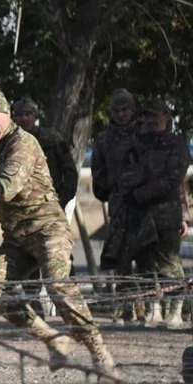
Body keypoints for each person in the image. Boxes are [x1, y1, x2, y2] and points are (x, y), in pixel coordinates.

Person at [0, 86, 115, 376]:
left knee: (58, 285)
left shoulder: (23, 143)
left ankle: (99, 352)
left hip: (48, 229)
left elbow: (5, 189)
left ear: (5, 113)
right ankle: (54, 339)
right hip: (17, 239)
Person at [101, 97, 190, 329]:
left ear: (166, 118)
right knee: (145, 264)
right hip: (138, 213)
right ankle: (153, 308)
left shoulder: (176, 144)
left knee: (168, 263)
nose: (149, 121)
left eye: (153, 116)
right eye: (145, 116)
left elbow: (173, 180)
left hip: (165, 214)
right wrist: (135, 188)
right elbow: (126, 174)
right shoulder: (137, 144)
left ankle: (176, 309)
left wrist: (140, 192)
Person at [12, 97, 79, 317]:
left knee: (59, 253)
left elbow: (69, 172)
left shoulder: (51, 139)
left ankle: (69, 302)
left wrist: (62, 201)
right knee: (31, 253)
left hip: (53, 207)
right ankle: (34, 303)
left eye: (28, 114)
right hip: (26, 209)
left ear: (35, 116)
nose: (24, 119)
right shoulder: (11, 141)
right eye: (20, 115)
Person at [91, 89, 143, 323]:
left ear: (133, 110)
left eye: (125, 110)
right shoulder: (104, 139)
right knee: (121, 255)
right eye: (116, 110)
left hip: (145, 201)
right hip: (119, 202)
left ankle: (148, 306)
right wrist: (111, 189)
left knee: (146, 253)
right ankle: (126, 306)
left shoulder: (146, 133)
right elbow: (98, 172)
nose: (121, 114)